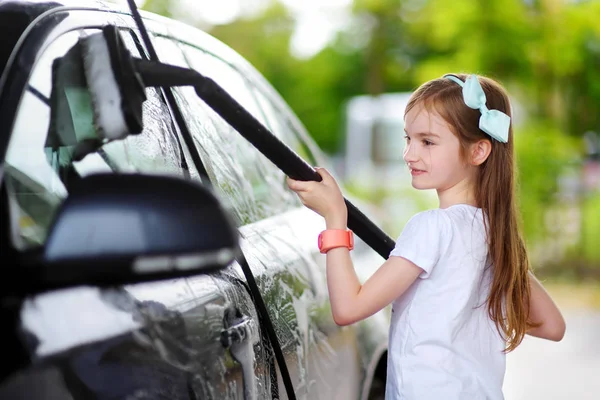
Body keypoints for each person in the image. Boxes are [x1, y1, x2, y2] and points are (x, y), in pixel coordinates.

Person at [286, 73, 566, 399]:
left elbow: (348, 308)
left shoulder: (432, 227)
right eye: (408, 139)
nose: (409, 154)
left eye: (427, 142)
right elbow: (552, 326)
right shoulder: (495, 237)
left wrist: (335, 217)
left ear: (478, 151)